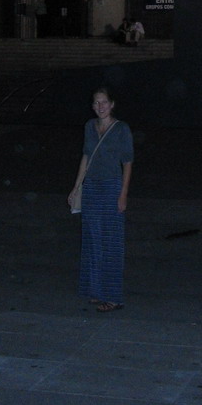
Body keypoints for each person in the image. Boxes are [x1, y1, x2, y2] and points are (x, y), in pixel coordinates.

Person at [68, 88, 133, 312]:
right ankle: (96, 290)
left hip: (111, 187)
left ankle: (113, 297)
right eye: (96, 103)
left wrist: (123, 194)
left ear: (112, 104)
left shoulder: (122, 129)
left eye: (104, 102)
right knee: (92, 240)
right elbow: (86, 156)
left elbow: (127, 162)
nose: (100, 106)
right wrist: (77, 187)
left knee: (112, 242)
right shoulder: (89, 126)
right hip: (92, 189)